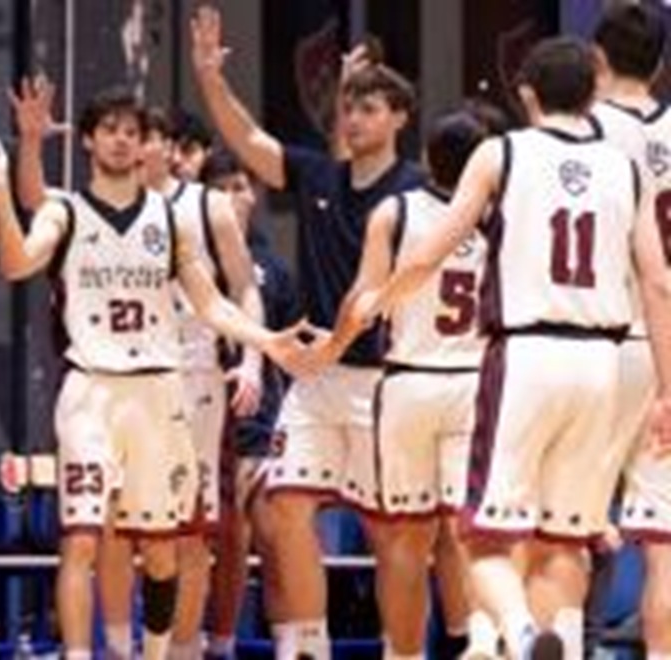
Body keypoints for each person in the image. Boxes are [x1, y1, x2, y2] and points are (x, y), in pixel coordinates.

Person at [316, 37, 671, 660]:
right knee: (565, 541)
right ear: (592, 91)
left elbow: (430, 251)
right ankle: (554, 642)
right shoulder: (628, 169)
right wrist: (667, 389)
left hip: (525, 355)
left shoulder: (500, 153)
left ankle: (520, 631)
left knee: (481, 536)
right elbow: (658, 284)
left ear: (526, 93)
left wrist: (382, 298)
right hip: (603, 361)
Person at [0, 86, 314, 660]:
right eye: (109, 129)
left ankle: (159, 652)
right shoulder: (65, 212)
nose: (121, 139)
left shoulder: (171, 220)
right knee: (82, 541)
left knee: (165, 551)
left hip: (161, 393)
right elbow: (16, 263)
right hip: (90, 389)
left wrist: (264, 342)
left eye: (131, 131)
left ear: (145, 145)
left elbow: (211, 303)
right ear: (88, 139)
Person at [191, 6, 424, 657]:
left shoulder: (417, 192)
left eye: (370, 108)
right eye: (348, 107)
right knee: (285, 507)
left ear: (400, 118)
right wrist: (210, 78)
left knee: (391, 534)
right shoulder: (320, 174)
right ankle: (308, 647)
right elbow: (249, 140)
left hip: (386, 383)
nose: (354, 118)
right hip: (317, 381)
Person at [309, 111, 496, 659]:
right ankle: (479, 644)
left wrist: (330, 349)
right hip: (474, 385)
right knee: (469, 534)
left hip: (408, 385)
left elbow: (362, 299)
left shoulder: (395, 211)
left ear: (427, 160)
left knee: (405, 540)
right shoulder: (501, 216)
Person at [95, 107, 264, 660]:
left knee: (192, 532)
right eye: (122, 135)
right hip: (118, 379)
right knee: (114, 525)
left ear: (167, 148)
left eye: (143, 136)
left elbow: (244, 286)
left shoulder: (208, 207)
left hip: (194, 382)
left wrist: (253, 360)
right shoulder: (97, 209)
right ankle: (119, 650)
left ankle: (183, 652)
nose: (132, 145)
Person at [199, 148, 302, 659]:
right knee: (223, 543)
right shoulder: (189, 256)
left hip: (260, 422)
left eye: (240, 187)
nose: (231, 197)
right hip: (199, 417)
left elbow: (290, 348)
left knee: (275, 537)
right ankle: (216, 646)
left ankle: (292, 647)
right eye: (220, 188)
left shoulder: (272, 270)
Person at [592, 3, 671, 654]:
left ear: (596, 58)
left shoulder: (582, 128)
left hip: (589, 340)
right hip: (662, 342)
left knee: (561, 528)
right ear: (662, 62)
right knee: (664, 548)